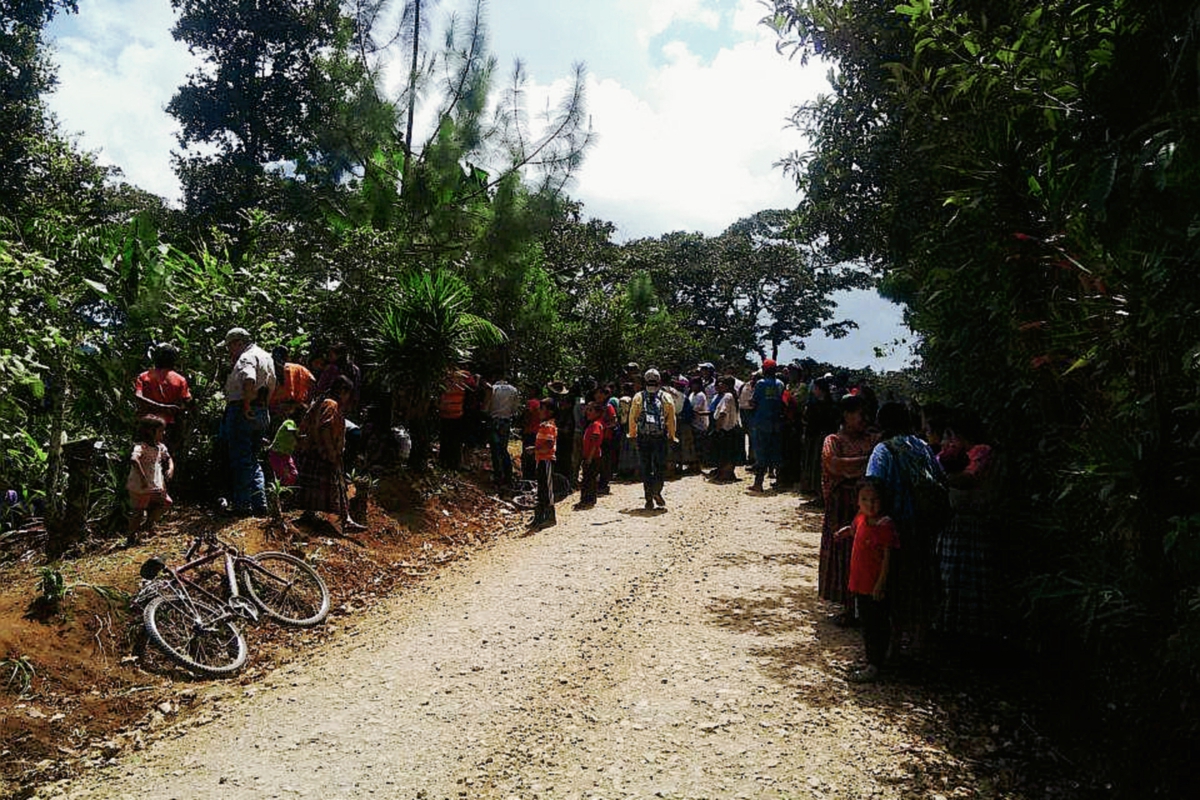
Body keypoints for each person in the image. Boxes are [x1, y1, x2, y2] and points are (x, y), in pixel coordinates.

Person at [866, 401, 948, 657]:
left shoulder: (883, 450)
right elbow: (940, 477)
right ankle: (919, 642)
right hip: (924, 526)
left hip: (894, 527)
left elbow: (872, 486)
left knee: (892, 585)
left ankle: (892, 645)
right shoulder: (922, 446)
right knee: (921, 583)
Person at [936, 410, 1001, 648]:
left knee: (962, 581)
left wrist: (939, 476)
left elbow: (968, 479)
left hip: (971, 524)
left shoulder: (982, 452)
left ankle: (965, 635)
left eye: (952, 436)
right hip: (957, 524)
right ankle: (953, 630)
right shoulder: (966, 454)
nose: (949, 441)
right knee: (953, 579)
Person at [819, 394, 877, 626]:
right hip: (841, 506)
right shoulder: (833, 440)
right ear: (846, 415)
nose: (864, 418)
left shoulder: (873, 439)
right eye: (859, 413)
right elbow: (834, 464)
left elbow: (844, 467)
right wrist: (866, 460)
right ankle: (847, 606)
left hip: (867, 507)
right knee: (843, 554)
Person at [836, 478, 899, 683]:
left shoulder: (885, 525)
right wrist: (845, 532)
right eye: (865, 499)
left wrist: (881, 583)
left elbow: (888, 558)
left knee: (876, 624)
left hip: (874, 585)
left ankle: (875, 663)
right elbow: (855, 530)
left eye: (875, 500)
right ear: (858, 501)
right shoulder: (861, 518)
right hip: (860, 582)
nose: (870, 504)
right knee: (867, 622)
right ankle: (873, 660)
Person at [296, 376, 366, 532]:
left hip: (318, 452)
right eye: (347, 393)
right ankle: (345, 519)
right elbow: (325, 428)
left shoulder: (324, 402)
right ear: (342, 391)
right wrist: (331, 451)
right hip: (323, 453)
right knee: (337, 487)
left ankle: (317, 515)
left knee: (323, 487)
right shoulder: (331, 404)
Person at [221, 328, 276, 516]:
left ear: (238, 343)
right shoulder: (266, 356)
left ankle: (243, 505)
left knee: (240, 458)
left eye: (230, 346)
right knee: (253, 458)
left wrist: (246, 405)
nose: (229, 351)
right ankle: (259, 503)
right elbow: (273, 384)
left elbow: (249, 379)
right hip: (261, 410)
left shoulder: (246, 357)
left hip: (243, 410)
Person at [133, 343, 193, 470]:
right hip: (169, 427)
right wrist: (167, 407)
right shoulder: (180, 379)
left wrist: (157, 406)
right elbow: (187, 401)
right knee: (167, 461)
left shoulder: (144, 376)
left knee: (143, 461)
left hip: (146, 425)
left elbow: (138, 397)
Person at [627, 368, 677, 510]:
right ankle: (657, 490)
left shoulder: (638, 396)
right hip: (660, 437)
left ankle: (648, 499)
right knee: (660, 466)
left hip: (643, 437)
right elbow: (671, 419)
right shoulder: (666, 397)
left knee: (646, 467)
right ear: (659, 381)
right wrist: (672, 435)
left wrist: (632, 434)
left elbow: (633, 417)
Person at [126, 415, 174, 545]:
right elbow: (134, 459)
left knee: (166, 502)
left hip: (153, 484)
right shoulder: (141, 447)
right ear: (150, 432)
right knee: (138, 512)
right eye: (160, 431)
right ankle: (131, 536)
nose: (163, 433)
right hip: (140, 485)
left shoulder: (160, 447)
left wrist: (170, 469)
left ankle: (148, 525)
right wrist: (142, 478)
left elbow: (168, 458)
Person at [750, 359, 786, 492]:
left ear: (764, 370)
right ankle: (780, 481)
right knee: (776, 451)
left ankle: (758, 483)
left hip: (762, 421)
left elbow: (754, 402)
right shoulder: (780, 384)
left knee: (761, 452)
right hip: (777, 422)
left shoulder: (760, 383)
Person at [484, 372, 520, 489]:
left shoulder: (492, 389)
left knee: (495, 449)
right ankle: (508, 476)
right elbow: (515, 409)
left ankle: (498, 476)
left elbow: (486, 406)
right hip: (505, 422)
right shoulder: (513, 390)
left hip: (493, 421)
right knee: (503, 449)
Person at [530, 398, 558, 529]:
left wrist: (534, 449)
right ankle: (539, 516)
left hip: (546, 459)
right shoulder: (543, 425)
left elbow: (549, 443)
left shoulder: (548, 426)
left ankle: (550, 516)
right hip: (540, 459)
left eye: (542, 409)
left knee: (547, 488)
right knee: (541, 488)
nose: (539, 411)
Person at [269, 345, 315, 419]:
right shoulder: (300, 368)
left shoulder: (273, 368)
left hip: (279, 408)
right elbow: (312, 381)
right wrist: (308, 402)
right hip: (298, 407)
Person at [710, 375, 741, 482]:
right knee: (729, 452)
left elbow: (723, 413)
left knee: (724, 453)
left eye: (722, 383)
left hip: (725, 428)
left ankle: (725, 474)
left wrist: (717, 428)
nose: (719, 384)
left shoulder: (727, 396)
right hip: (731, 428)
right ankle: (728, 473)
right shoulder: (731, 395)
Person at [438, 367, 469, 470]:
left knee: (446, 440)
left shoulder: (444, 377)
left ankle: (445, 463)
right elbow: (474, 386)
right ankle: (453, 464)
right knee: (455, 442)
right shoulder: (464, 376)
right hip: (456, 414)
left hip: (446, 414)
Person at [575, 402, 605, 509]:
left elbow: (595, 443)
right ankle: (587, 499)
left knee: (589, 479)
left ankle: (588, 499)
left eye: (591, 410)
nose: (587, 412)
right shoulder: (592, 424)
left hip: (593, 457)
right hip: (589, 456)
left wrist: (589, 458)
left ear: (597, 413)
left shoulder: (596, 425)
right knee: (588, 478)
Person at [268, 409, 302, 487]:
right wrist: (300, 437)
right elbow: (291, 430)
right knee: (284, 476)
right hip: (277, 453)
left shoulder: (296, 428)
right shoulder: (289, 422)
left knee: (294, 474)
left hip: (286, 455)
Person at [520, 395, 541, 481]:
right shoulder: (541, 404)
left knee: (527, 455)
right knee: (534, 456)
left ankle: (527, 476)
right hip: (537, 432)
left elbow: (527, 415)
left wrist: (523, 423)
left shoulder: (531, 403)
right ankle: (533, 475)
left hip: (529, 431)